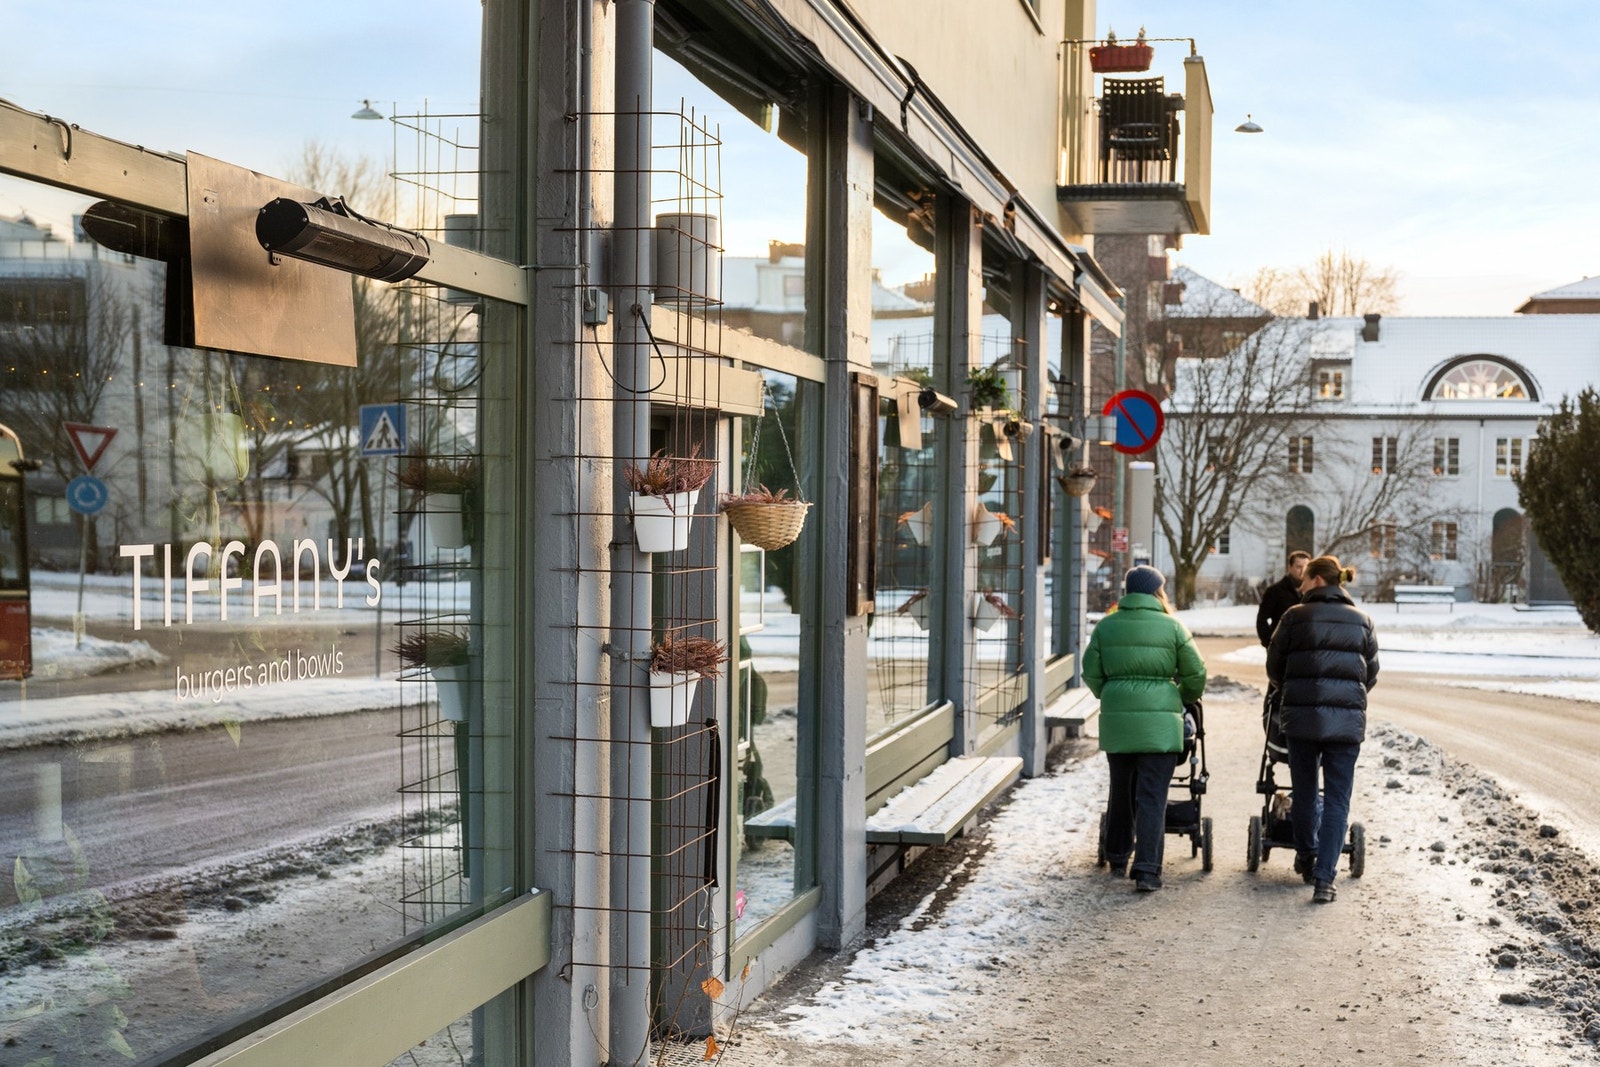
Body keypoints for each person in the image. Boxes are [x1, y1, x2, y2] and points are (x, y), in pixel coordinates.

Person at [1082, 565, 1208, 893]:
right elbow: (1196, 674)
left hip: (1120, 724)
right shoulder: (1173, 627)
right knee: (1152, 796)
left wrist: (1112, 696)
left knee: (1121, 791)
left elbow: (1090, 672)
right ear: (1157, 592)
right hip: (1160, 726)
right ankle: (1148, 871)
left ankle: (1118, 855)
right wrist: (1177, 698)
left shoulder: (1106, 627)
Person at [1265, 555, 1379, 904]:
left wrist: (1296, 692)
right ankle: (1325, 880)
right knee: (1337, 800)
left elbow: (1274, 668)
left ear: (1316, 580)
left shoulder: (1293, 618)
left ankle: (1306, 854)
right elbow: (1370, 674)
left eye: (1303, 580)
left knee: (1305, 790)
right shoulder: (1362, 621)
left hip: (1301, 722)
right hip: (1345, 725)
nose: (1298, 586)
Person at [1256, 550, 1311, 647]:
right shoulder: (1275, 591)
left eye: (1306, 567)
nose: (1302, 571)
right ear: (1289, 567)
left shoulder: (1312, 591)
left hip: (1305, 648)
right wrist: (1270, 643)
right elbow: (1261, 619)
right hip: (1282, 647)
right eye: (1298, 567)